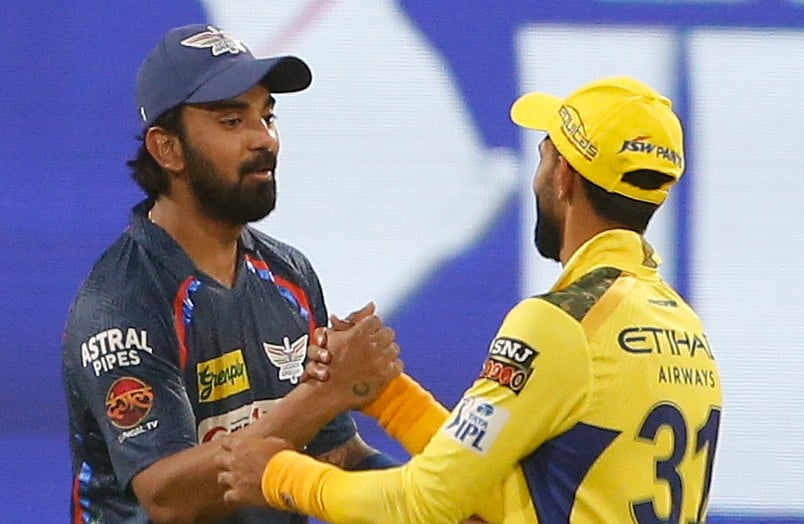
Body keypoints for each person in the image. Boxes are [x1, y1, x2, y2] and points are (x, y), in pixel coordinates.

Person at [216, 76, 724, 523]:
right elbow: (506, 494)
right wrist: (390, 397)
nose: (539, 176)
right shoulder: (686, 329)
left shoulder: (562, 323)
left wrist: (279, 475)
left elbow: (427, 503)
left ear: (565, 177)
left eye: (545, 157)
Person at [61, 23, 403, 523]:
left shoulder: (290, 274)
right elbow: (168, 497)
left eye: (267, 116)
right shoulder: (121, 302)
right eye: (230, 121)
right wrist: (327, 393)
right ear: (167, 149)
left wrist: (436, 500)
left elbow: (335, 455)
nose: (263, 140)